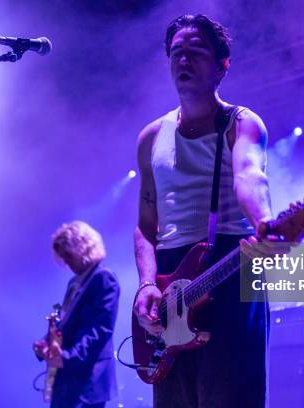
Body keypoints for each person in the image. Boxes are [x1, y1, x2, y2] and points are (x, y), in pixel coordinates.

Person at [133, 14, 275, 408]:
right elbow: (146, 226)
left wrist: (264, 222)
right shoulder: (150, 137)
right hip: (170, 281)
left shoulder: (242, 123)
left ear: (222, 66)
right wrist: (147, 284)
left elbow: (249, 175)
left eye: (195, 52)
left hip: (231, 265)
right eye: (176, 53)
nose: (183, 61)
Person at [34, 221, 120, 408]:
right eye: (62, 257)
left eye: (68, 255)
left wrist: (66, 358)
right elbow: (65, 324)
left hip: (88, 382)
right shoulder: (74, 282)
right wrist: (45, 343)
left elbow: (99, 330)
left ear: (83, 247)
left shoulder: (103, 278)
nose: (66, 262)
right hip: (67, 380)